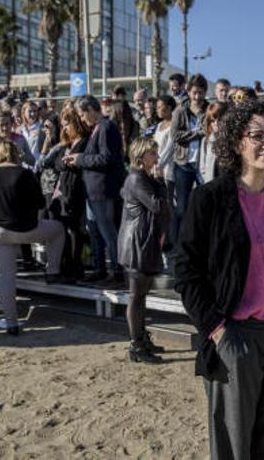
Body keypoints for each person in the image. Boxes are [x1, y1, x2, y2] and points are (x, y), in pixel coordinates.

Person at [175, 100, 264, 459]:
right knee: (234, 447)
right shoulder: (209, 198)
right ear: (237, 141)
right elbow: (187, 272)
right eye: (257, 136)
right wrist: (217, 329)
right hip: (237, 336)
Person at [0, 141, 65, 336]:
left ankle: (11, 322)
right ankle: (52, 270)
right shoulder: (25, 173)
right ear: (17, 155)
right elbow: (38, 203)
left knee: (5, 277)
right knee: (58, 229)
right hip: (26, 229)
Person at [118, 137, 172, 363]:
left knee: (140, 296)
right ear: (141, 156)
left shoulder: (141, 177)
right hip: (136, 245)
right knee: (136, 297)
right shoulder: (136, 178)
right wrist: (160, 181)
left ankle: (140, 338)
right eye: (153, 153)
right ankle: (137, 345)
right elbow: (159, 206)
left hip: (142, 242)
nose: (157, 157)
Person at [72, 96, 127, 282]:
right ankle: (100, 269)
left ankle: (116, 271)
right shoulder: (98, 128)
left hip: (103, 190)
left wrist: (81, 160)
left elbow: (107, 158)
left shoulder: (106, 127)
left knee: (108, 232)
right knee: (95, 231)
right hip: (94, 190)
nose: (81, 119)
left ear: (90, 109)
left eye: (81, 114)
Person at [51, 107, 92, 280]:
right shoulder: (68, 144)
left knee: (75, 230)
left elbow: (81, 163)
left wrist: (69, 162)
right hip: (62, 190)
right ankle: (66, 264)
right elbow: (57, 163)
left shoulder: (85, 142)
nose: (65, 129)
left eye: (67, 125)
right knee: (63, 229)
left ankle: (75, 267)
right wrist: (65, 162)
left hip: (75, 190)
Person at [170, 74, 208, 243]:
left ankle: (201, 242)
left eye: (200, 92)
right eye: (194, 92)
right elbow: (175, 135)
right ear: (188, 92)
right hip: (183, 164)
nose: (197, 96)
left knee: (204, 204)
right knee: (182, 207)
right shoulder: (180, 110)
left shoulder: (209, 110)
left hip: (203, 164)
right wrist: (197, 134)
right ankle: (180, 244)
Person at [198, 102, 227, 185]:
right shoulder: (206, 141)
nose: (216, 123)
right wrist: (207, 181)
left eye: (220, 119)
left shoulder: (232, 140)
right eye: (212, 121)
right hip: (211, 185)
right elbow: (202, 167)